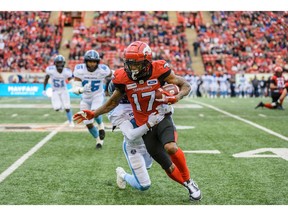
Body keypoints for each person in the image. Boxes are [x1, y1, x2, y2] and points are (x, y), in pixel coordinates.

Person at [73, 41, 202, 201]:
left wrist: (176, 97)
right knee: (164, 166)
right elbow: (113, 103)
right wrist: (93, 113)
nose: (132, 68)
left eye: (136, 64)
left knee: (170, 147)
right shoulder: (122, 80)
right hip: (144, 127)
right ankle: (184, 183)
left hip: (161, 117)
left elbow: (185, 85)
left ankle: (189, 182)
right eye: (130, 64)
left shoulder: (159, 69)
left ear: (147, 63)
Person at [107, 82, 172, 191]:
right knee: (143, 186)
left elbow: (166, 112)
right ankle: (122, 175)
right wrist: (149, 124)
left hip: (150, 143)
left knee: (147, 167)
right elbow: (131, 135)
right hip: (134, 147)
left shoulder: (143, 100)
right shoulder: (117, 111)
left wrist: (168, 105)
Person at [72, 49, 112, 149]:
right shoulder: (80, 70)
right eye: (90, 61)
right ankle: (98, 140)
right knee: (88, 123)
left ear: (97, 62)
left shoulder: (103, 69)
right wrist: (81, 89)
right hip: (85, 98)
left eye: (94, 61)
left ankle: (101, 125)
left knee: (95, 111)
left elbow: (113, 75)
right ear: (86, 61)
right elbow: (74, 89)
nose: (92, 63)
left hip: (97, 95)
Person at [43, 55, 74, 127]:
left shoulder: (67, 71)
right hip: (55, 91)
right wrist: (44, 89)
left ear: (63, 63)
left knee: (67, 107)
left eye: (61, 63)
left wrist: (74, 86)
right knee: (56, 108)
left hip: (64, 90)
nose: (59, 64)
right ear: (55, 63)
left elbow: (71, 79)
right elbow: (46, 79)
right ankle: (60, 107)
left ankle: (71, 121)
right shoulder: (50, 70)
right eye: (58, 63)